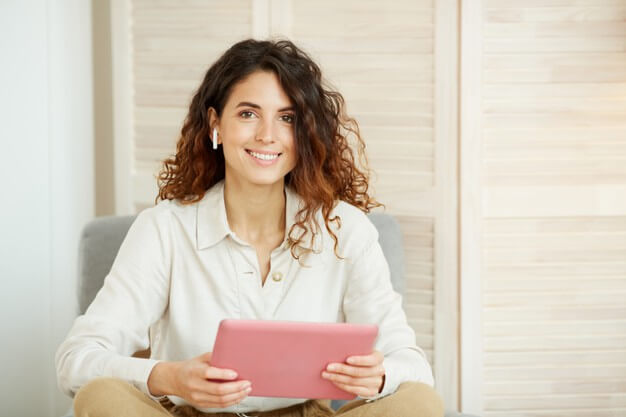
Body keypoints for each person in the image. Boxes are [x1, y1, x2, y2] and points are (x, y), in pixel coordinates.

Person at [55, 38, 444, 417]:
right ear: (215, 125)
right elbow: (76, 360)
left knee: (418, 404)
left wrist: (379, 376)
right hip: (190, 414)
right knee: (101, 396)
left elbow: (413, 366)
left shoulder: (346, 229)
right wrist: (167, 377)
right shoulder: (163, 229)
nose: (267, 135)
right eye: (248, 113)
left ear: (304, 133)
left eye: (287, 118)